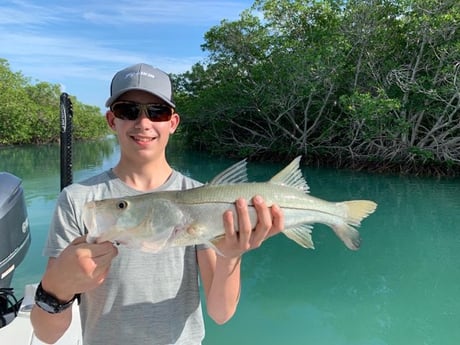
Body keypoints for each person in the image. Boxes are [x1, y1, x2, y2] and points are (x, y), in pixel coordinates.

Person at [30, 63, 284, 345]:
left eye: (157, 111)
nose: (143, 123)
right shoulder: (78, 200)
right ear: (112, 121)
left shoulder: (201, 196)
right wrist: (56, 288)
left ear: (172, 123)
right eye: (128, 110)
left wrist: (231, 255)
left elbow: (221, 313)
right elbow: (46, 334)